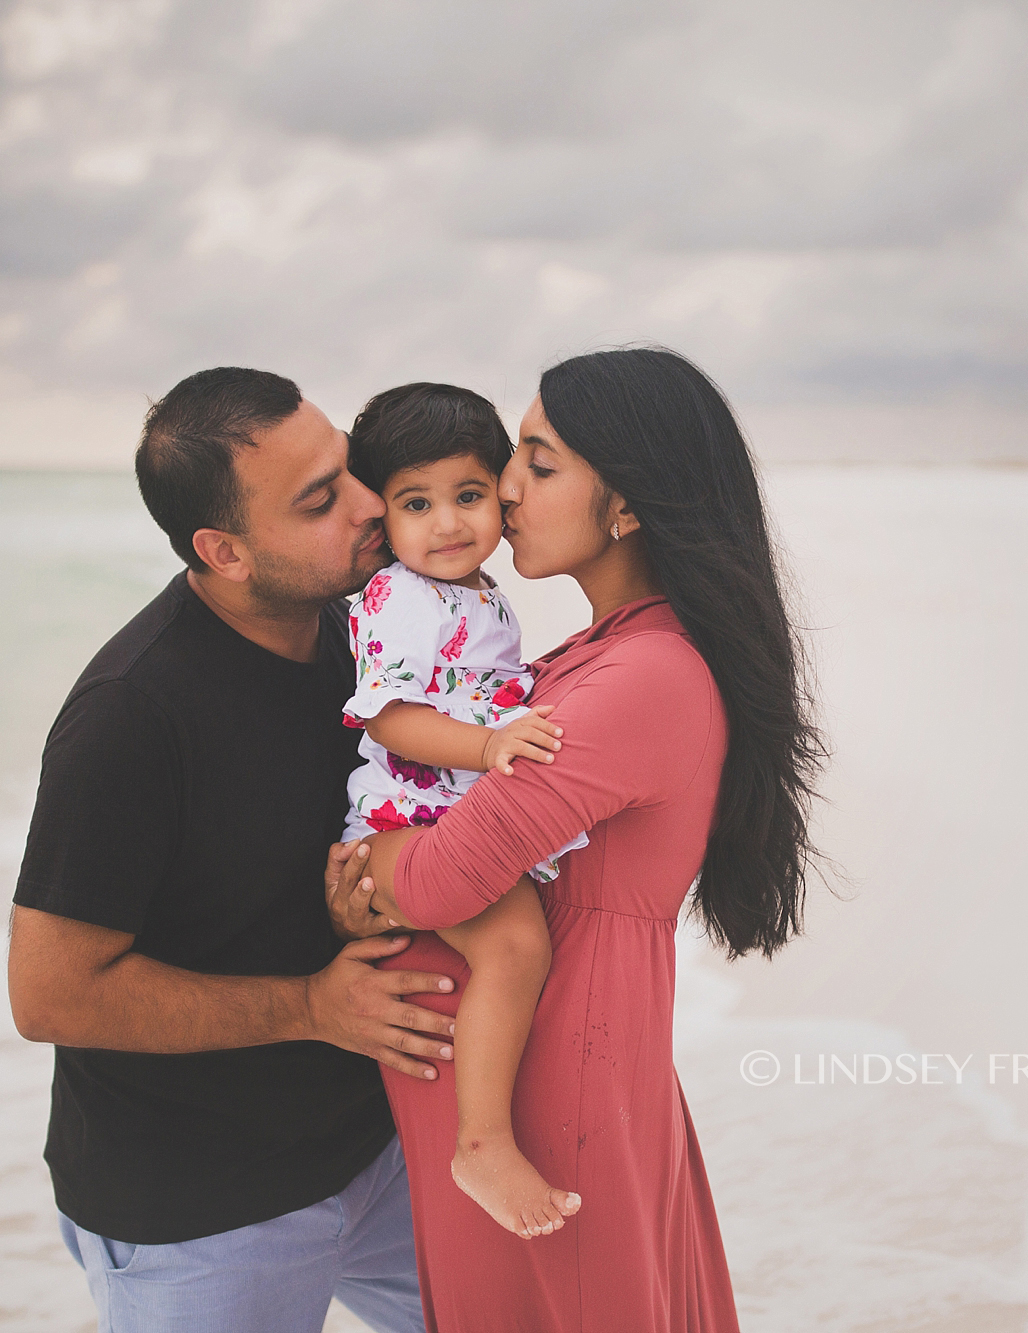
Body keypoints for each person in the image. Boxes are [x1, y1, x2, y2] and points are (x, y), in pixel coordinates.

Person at [330, 347, 826, 1330]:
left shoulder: (639, 677)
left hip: (551, 1084)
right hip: (530, 1064)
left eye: (537, 460)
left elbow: (435, 882)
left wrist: (370, 874)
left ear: (626, 503)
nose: (504, 487)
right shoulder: (583, 657)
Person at [8, 367, 456, 1333]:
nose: (371, 505)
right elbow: (50, 992)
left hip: (380, 1148)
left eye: (349, 471)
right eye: (320, 499)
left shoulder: (366, 632)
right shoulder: (130, 716)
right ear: (226, 549)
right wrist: (309, 1003)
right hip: (198, 1206)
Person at [338, 383, 590, 1240]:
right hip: (405, 818)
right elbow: (388, 715)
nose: (447, 523)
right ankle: (480, 1141)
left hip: (441, 811)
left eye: (468, 496)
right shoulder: (399, 597)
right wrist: (489, 748)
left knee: (513, 950)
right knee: (517, 945)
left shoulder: (478, 594)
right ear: (383, 515)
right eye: (418, 503)